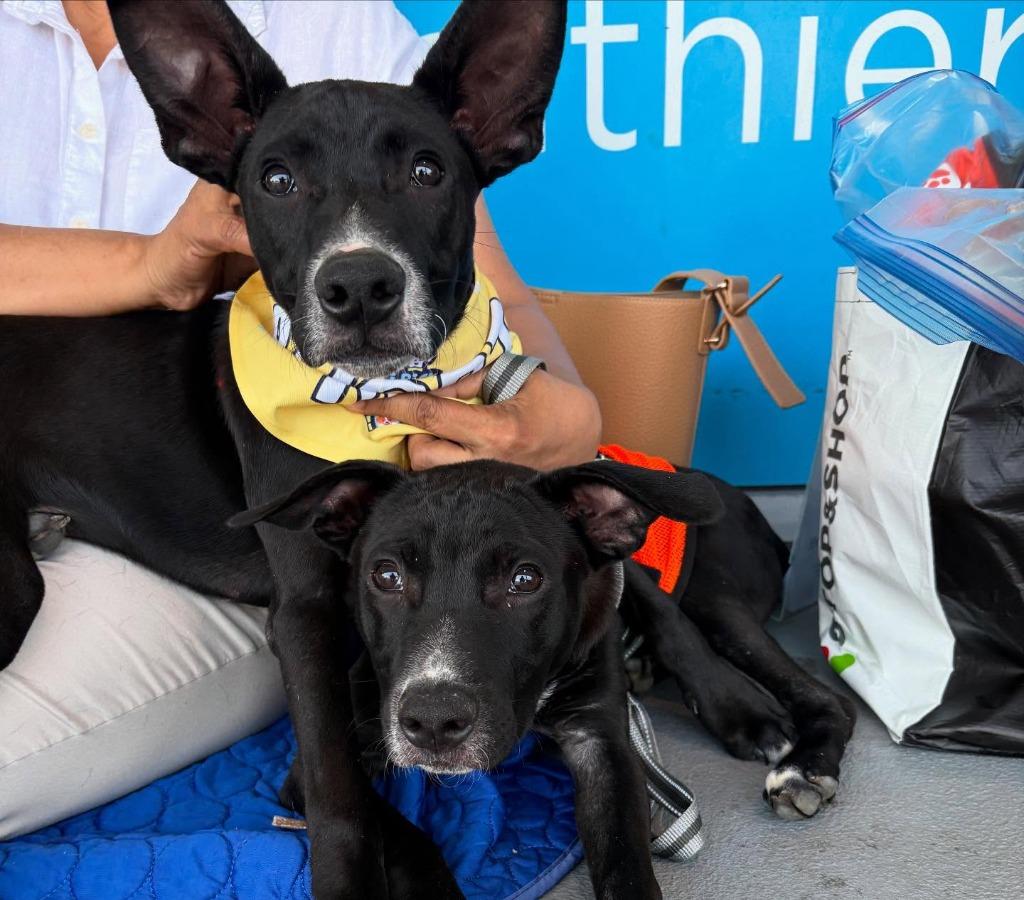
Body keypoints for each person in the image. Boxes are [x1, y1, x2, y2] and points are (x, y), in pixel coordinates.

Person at [0, 0, 600, 837]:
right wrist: (148, 266)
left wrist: (571, 415)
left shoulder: (334, 23)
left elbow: (479, 278)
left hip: (210, 537)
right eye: (281, 181)